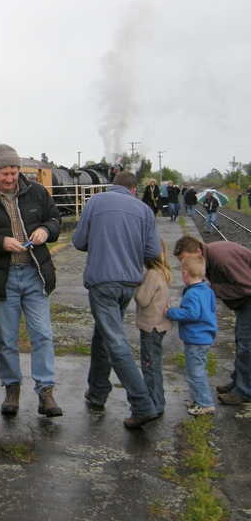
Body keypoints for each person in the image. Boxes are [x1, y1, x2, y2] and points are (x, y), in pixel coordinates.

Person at [0, 143, 63, 417]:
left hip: (34, 274)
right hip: (1, 279)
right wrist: (0, 242)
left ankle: (45, 391)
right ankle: (11, 389)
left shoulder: (37, 193)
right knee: (7, 340)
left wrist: (45, 229)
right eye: (4, 173)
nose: (10, 178)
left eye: (14, 172)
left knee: (42, 335)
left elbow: (56, 220)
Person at [72, 171, 162, 429]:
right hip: (129, 283)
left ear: (114, 186)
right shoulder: (144, 210)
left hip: (102, 282)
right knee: (103, 335)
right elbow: (153, 251)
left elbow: (78, 241)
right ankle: (98, 392)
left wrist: (101, 242)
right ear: (134, 189)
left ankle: (142, 403)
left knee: (114, 340)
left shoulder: (96, 202)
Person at [173, 234, 251, 405]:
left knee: (246, 345)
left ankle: (244, 391)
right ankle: (239, 382)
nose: (185, 266)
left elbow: (246, 287)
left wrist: (210, 289)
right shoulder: (207, 257)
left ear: (198, 251)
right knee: (241, 341)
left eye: (187, 260)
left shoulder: (222, 260)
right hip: (245, 301)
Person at [164, 254, 217, 415]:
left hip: (196, 339)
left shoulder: (192, 294)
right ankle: (198, 398)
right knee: (195, 370)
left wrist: (170, 312)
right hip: (204, 337)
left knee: (195, 372)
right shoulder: (207, 291)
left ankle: (205, 403)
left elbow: (191, 314)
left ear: (185, 273)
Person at [134, 239, 172, 416]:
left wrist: (136, 288)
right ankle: (159, 401)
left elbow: (142, 299)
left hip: (151, 327)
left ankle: (155, 404)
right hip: (160, 325)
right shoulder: (163, 272)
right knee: (155, 363)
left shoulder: (151, 275)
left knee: (150, 365)